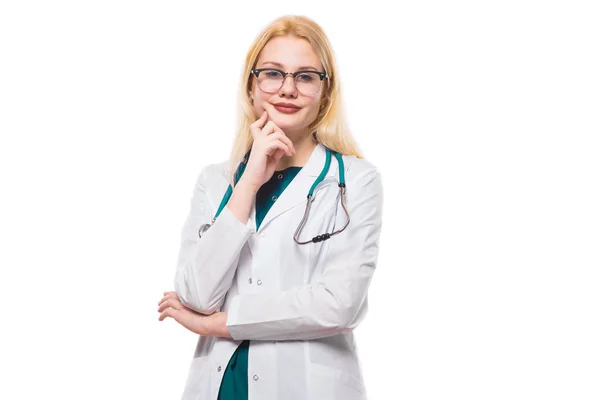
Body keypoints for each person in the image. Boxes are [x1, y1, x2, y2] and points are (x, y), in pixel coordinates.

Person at [157, 14, 384, 400]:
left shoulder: (355, 180)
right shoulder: (216, 180)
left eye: (306, 76)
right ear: (251, 86)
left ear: (325, 93)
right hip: (221, 384)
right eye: (273, 73)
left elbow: (338, 305)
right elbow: (195, 294)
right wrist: (249, 182)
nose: (288, 89)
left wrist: (221, 324)